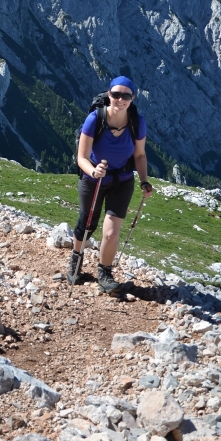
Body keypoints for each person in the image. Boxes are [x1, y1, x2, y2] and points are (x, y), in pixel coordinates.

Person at [68, 76, 153, 294]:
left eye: (126, 95)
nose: (120, 99)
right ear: (109, 95)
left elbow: (140, 155)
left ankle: (104, 273)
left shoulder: (137, 122)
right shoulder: (95, 119)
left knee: (111, 233)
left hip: (122, 181)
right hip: (93, 179)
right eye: (116, 94)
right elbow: (82, 158)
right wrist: (93, 171)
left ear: (132, 99)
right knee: (86, 224)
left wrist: (144, 181)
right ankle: (75, 265)